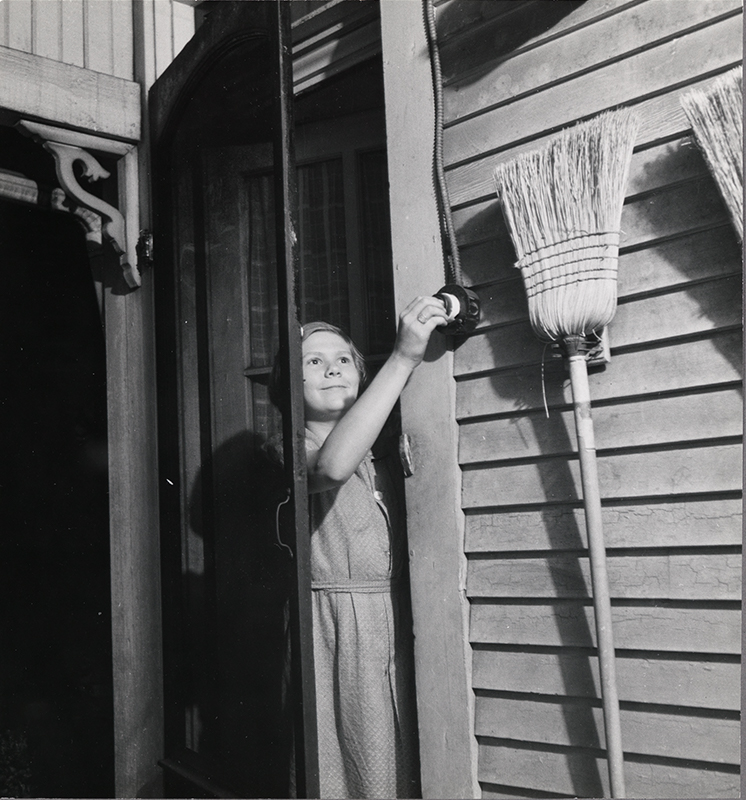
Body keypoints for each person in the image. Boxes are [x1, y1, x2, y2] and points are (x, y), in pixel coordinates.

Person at [270, 295, 449, 799]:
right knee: (350, 767)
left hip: (394, 620)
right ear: (289, 385)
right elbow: (332, 466)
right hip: (336, 629)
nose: (333, 369)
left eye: (343, 359)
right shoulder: (293, 452)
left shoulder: (379, 452)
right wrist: (405, 357)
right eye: (314, 361)